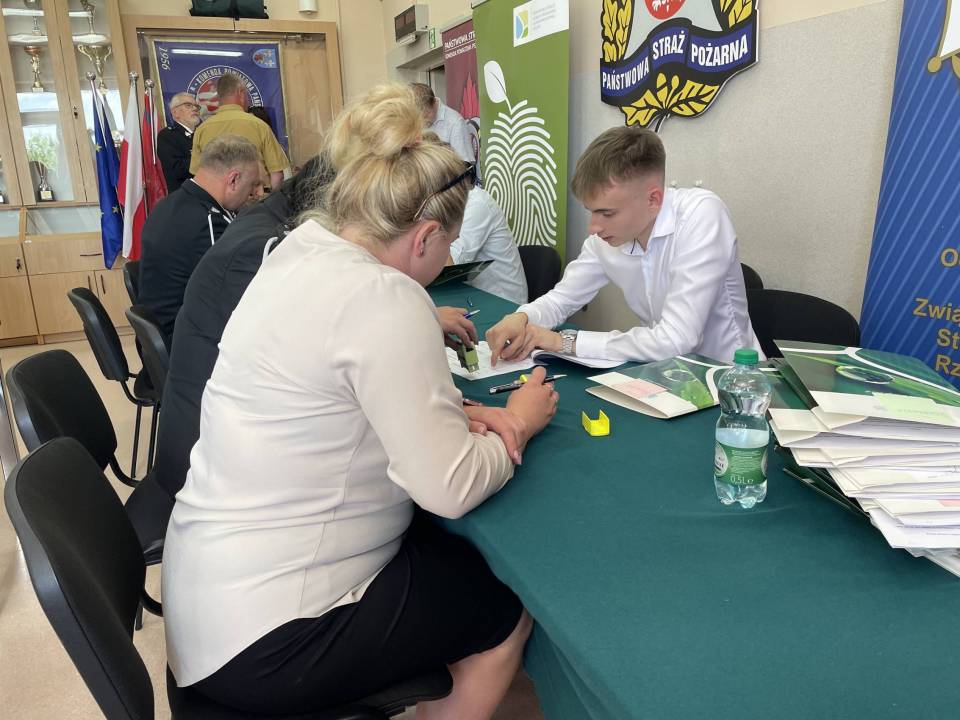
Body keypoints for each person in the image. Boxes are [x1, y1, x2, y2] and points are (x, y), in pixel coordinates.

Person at [162, 83, 557, 719]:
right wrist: (517, 424)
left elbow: (328, 397)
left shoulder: (297, 250)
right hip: (268, 639)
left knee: (449, 563)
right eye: (450, 246)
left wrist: (453, 412)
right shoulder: (387, 298)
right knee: (502, 607)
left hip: (206, 597)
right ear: (425, 236)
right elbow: (451, 488)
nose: (447, 259)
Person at [486, 125, 762, 365]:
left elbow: (677, 338)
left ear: (653, 199)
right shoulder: (604, 239)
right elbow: (561, 300)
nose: (593, 228)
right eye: (591, 211)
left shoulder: (702, 214)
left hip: (731, 381)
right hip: (666, 375)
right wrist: (522, 317)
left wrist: (564, 342)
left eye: (607, 213)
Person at [138, 134, 263, 343]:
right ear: (233, 180)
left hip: (164, 334)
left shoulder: (168, 204)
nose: (257, 193)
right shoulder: (209, 222)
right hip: (188, 344)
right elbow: (236, 295)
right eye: (253, 185)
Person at [189, 72, 288, 190]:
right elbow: (277, 174)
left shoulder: (202, 130)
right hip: (255, 197)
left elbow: (197, 174)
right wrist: (271, 198)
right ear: (241, 93)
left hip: (216, 198)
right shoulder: (259, 126)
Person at [447, 168, 528, 305]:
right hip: (471, 296)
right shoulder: (447, 203)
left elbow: (450, 269)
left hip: (504, 303)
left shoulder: (476, 204)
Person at [411, 82, 474, 164]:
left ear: (434, 103)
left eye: (426, 115)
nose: (422, 121)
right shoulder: (413, 117)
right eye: (418, 116)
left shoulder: (455, 122)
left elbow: (466, 163)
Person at [157, 92, 201, 192]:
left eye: (197, 106)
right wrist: (206, 158)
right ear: (175, 112)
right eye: (188, 105)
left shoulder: (203, 133)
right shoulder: (167, 136)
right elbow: (176, 170)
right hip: (184, 195)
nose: (195, 109)